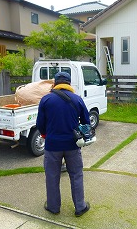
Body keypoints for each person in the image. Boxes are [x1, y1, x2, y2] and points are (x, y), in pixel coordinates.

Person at [36, 71, 90, 217]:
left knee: (52, 176)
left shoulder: (46, 99)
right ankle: (80, 207)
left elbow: (40, 124)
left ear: (55, 84)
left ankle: (53, 207)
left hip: (52, 145)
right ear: (69, 84)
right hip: (73, 144)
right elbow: (86, 121)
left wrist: (46, 135)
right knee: (76, 175)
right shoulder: (77, 99)